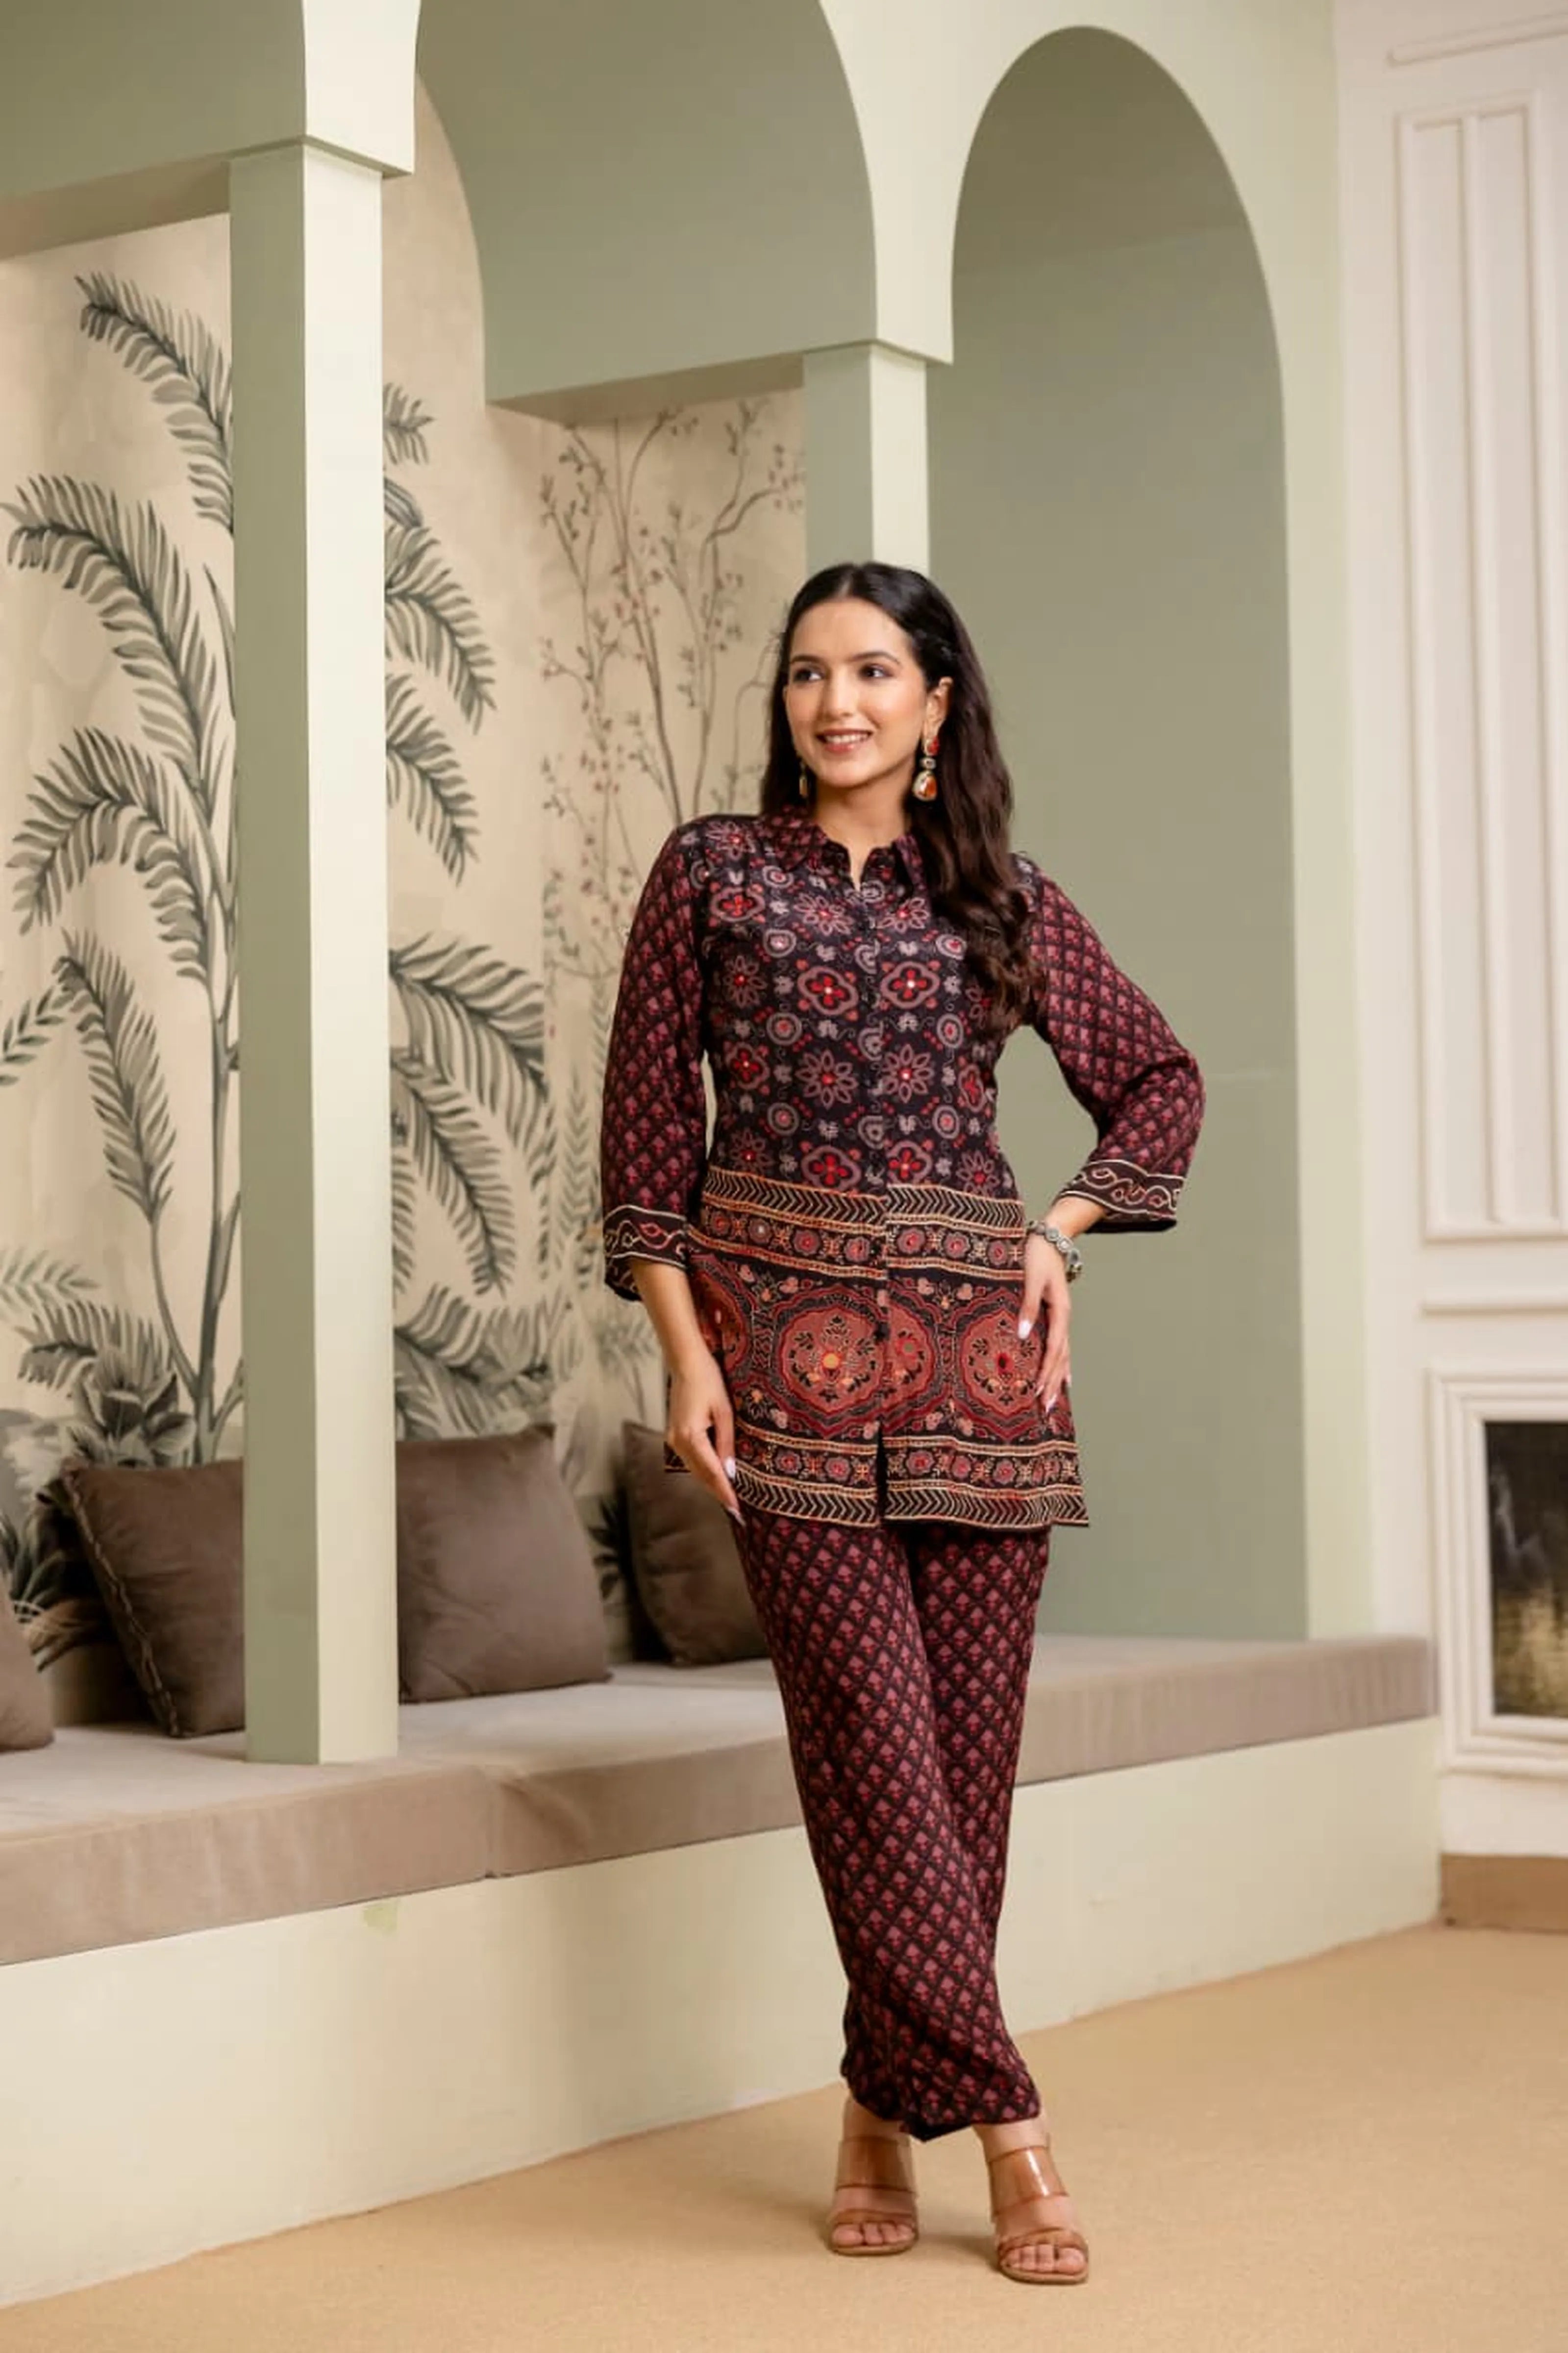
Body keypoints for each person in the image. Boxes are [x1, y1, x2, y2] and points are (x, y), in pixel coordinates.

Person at [600, 561, 1204, 2287]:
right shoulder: (711, 872)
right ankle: (1013, 2128)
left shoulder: (1003, 895)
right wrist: (685, 1354)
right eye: (809, 673)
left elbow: (1160, 1083)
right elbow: (646, 1137)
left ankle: (877, 2111)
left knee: (960, 1781)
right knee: (867, 1745)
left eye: (873, 671)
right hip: (779, 1368)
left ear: (938, 701)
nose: (837, 702)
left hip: (982, 1383)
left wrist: (1058, 1230)